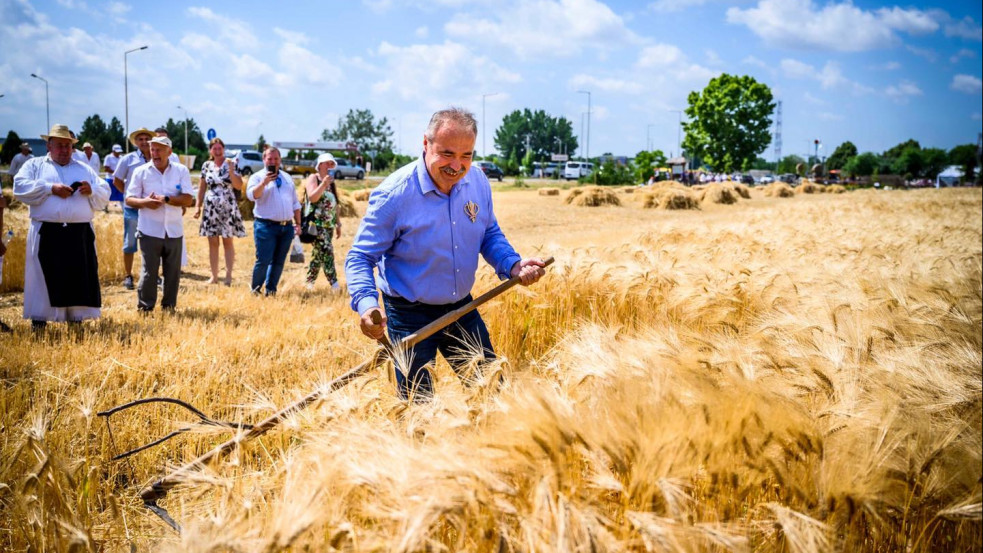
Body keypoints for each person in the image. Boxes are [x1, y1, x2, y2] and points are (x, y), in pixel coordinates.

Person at [345, 107, 546, 401]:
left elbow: (488, 233)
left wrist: (513, 265)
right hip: (409, 314)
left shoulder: (477, 182)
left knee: (492, 393)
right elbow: (360, 257)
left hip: (461, 309)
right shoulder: (395, 195)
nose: (457, 165)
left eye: (467, 155)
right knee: (418, 405)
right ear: (426, 145)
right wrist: (366, 306)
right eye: (447, 153)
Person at [12, 124, 111, 330]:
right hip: (47, 231)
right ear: (49, 145)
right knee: (42, 277)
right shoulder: (35, 166)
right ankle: (39, 320)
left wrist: (91, 190)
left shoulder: (83, 168)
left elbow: (104, 191)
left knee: (78, 275)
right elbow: (20, 188)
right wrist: (50, 189)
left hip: (79, 233)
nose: (64, 150)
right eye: (59, 145)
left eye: (68, 145)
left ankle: (76, 320)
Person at [124, 136, 193, 311]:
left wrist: (168, 199)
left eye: (159, 149)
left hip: (174, 230)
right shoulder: (141, 172)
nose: (154, 153)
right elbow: (129, 199)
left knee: (173, 273)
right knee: (149, 273)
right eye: (152, 149)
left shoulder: (181, 171)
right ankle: (145, 308)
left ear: (169, 152)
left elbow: (188, 199)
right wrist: (145, 202)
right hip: (149, 230)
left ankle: (169, 307)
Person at [246, 147, 300, 296]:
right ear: (264, 160)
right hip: (266, 226)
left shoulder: (287, 178)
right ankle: (255, 290)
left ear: (280, 160)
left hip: (286, 227)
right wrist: (264, 183)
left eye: (276, 159)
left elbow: (295, 203)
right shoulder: (257, 177)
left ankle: (271, 291)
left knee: (278, 262)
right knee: (263, 260)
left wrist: (298, 223)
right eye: (270, 159)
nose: (273, 162)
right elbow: (251, 195)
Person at [193, 137, 245, 285]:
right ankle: (214, 276)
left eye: (219, 148)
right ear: (210, 150)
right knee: (212, 242)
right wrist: (198, 206)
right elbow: (202, 187)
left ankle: (228, 276)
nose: (217, 151)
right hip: (210, 207)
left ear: (223, 149)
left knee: (228, 241)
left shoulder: (232, 163)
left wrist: (230, 170)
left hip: (227, 204)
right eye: (214, 148)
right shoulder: (206, 165)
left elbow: (238, 185)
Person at [113, 127, 154, 290]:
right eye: (140, 139)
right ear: (135, 142)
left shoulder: (156, 157)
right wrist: (129, 195)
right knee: (130, 242)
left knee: (152, 243)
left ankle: (152, 275)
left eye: (146, 139)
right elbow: (117, 180)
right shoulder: (127, 159)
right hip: (132, 208)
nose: (143, 142)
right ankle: (128, 275)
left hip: (150, 208)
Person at [303, 153, 342, 291]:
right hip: (316, 224)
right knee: (327, 251)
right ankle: (334, 284)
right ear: (320, 165)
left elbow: (335, 204)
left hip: (329, 225)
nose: (330, 166)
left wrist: (338, 223)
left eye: (332, 164)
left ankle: (309, 282)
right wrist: (323, 184)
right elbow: (312, 197)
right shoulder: (314, 178)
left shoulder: (331, 183)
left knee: (318, 254)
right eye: (327, 163)